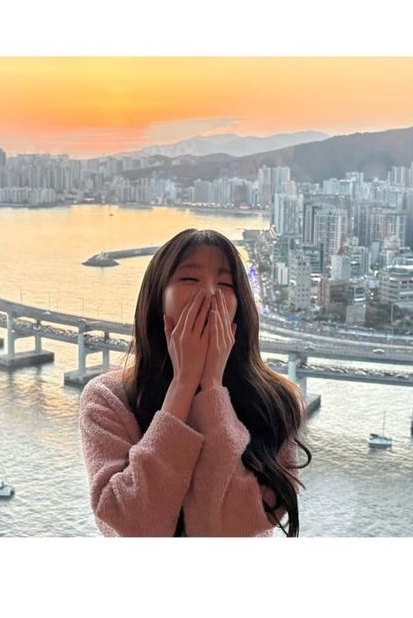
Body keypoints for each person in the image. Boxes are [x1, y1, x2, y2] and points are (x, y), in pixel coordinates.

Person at [79, 228, 311, 537]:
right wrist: (184, 383)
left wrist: (212, 388)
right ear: (157, 298)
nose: (210, 293)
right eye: (189, 279)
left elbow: (232, 525)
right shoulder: (108, 398)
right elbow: (133, 524)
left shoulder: (275, 402)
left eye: (225, 284)